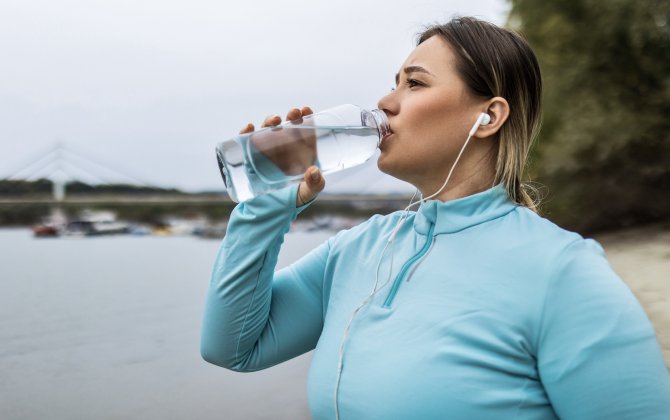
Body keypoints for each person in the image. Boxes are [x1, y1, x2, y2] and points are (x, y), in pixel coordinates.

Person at [200, 16, 670, 419]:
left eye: (415, 83)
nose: (385, 102)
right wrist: (265, 207)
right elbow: (234, 347)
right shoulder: (358, 248)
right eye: (394, 81)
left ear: (488, 117)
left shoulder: (563, 271)